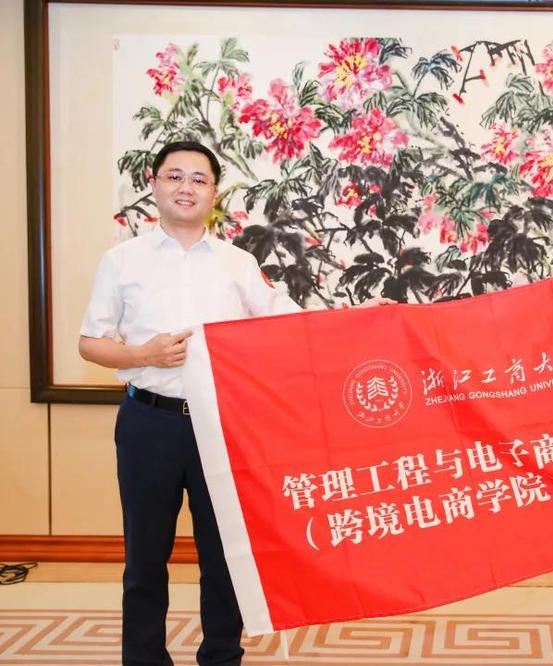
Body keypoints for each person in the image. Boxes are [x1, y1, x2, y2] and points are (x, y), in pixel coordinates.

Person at [79, 141, 389, 665]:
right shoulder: (121, 261)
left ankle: (221, 656)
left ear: (214, 193)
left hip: (223, 426)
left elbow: (288, 323)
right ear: (154, 184)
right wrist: (143, 354)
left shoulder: (237, 263)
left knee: (224, 558)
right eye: (174, 176)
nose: (186, 187)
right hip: (147, 423)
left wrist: (358, 319)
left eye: (198, 179)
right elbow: (90, 343)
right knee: (145, 558)